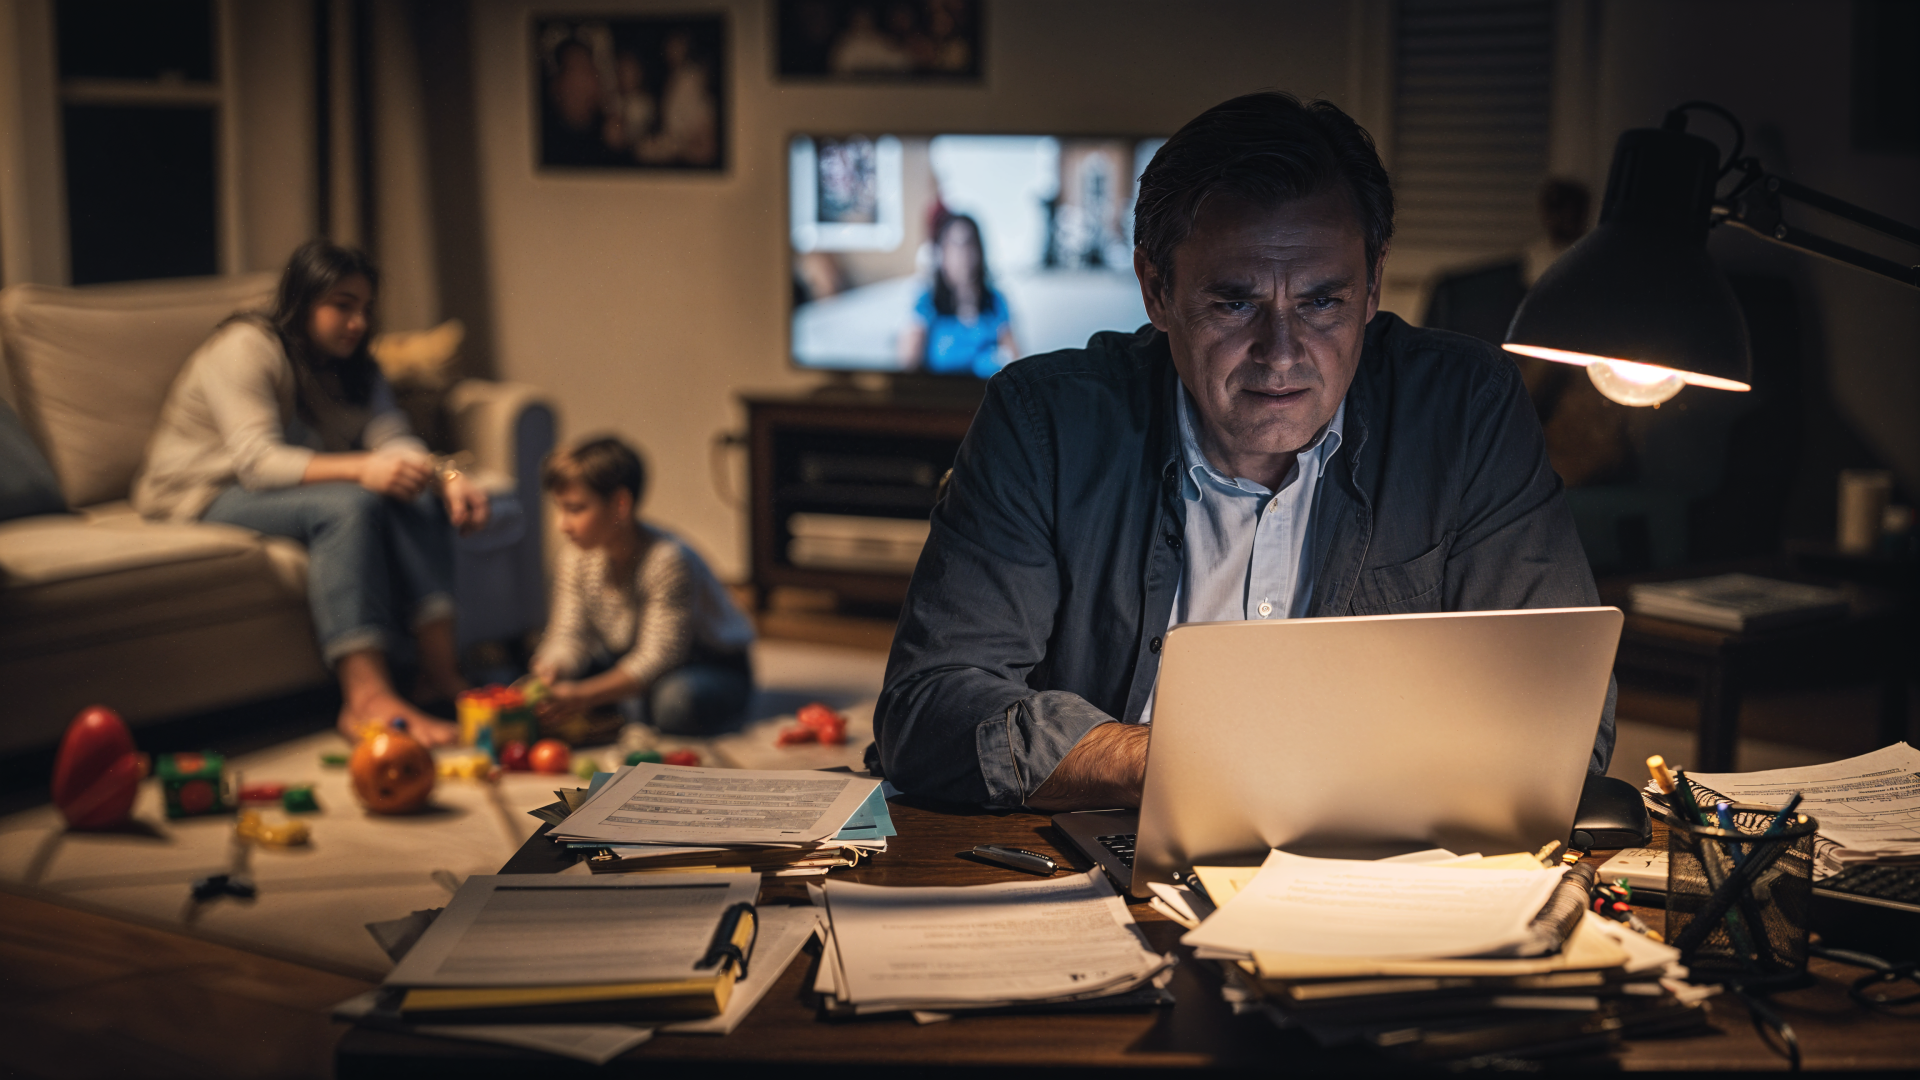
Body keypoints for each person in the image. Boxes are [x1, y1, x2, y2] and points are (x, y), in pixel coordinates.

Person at [873, 91, 1614, 811]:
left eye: (1322, 300)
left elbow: (1561, 716)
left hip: (1384, 864)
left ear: (1374, 282)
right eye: (1235, 303)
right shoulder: (1043, 422)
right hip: (1099, 860)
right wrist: (1167, 760)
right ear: (1155, 289)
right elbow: (930, 706)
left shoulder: (1462, 409)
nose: (1282, 354)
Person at [133, 239, 489, 744]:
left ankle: (440, 673)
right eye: (342, 306)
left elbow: (396, 441)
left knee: (411, 488)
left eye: (365, 309)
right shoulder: (245, 346)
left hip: (272, 489)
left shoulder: (356, 367)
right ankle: (365, 700)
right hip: (198, 493)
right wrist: (366, 467)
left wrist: (448, 477)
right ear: (302, 302)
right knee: (351, 504)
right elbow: (258, 464)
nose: (358, 323)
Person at [530, 437, 755, 734]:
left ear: (621, 504)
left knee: (675, 704)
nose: (562, 524)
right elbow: (569, 633)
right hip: (627, 651)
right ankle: (625, 704)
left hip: (706, 662)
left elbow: (658, 657)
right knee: (547, 679)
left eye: (575, 509)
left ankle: (636, 706)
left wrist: (584, 695)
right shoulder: (575, 556)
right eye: (560, 508)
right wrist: (553, 668)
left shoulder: (667, 560)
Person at [898, 213, 1018, 378]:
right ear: (942, 253)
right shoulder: (927, 302)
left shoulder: (995, 301)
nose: (963, 254)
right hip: (942, 400)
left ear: (980, 250)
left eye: (969, 244)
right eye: (955, 245)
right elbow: (907, 365)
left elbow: (1016, 364)